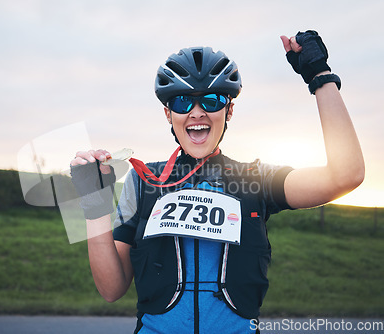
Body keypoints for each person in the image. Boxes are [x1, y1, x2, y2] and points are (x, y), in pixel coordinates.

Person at [70, 31, 364, 334]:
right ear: (168, 114)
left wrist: (320, 76)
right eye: (183, 102)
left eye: (211, 100)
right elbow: (110, 288)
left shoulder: (255, 179)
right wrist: (94, 200)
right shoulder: (144, 180)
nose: (197, 112)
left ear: (229, 110)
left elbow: (346, 175)